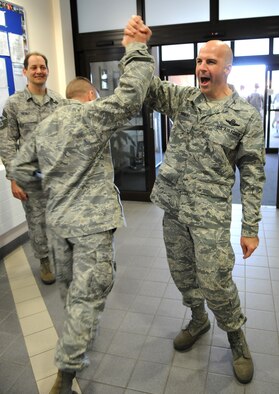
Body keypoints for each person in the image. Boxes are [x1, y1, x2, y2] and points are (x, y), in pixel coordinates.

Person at [12, 16, 154, 394]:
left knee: (70, 289)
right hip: (92, 224)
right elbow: (131, 95)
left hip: (57, 221)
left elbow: (20, 169)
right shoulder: (93, 116)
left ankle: (77, 337)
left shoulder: (45, 125)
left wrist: (52, 187)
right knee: (89, 294)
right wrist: (135, 49)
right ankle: (67, 370)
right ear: (90, 95)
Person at [126, 20, 265, 385]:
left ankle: (236, 338)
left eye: (211, 62)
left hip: (210, 216)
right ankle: (198, 320)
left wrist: (250, 227)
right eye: (200, 61)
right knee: (183, 274)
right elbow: (147, 88)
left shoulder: (245, 117)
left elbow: (252, 176)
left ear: (227, 69)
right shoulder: (184, 98)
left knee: (217, 281)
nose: (202, 67)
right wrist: (137, 50)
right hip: (174, 208)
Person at [0, 52, 63, 284]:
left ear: (47, 70)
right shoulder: (13, 104)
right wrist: (14, 179)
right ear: (25, 71)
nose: (39, 71)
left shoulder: (59, 102)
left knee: (60, 217)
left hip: (58, 175)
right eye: (34, 67)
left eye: (43, 67)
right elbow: (6, 142)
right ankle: (45, 261)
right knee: (37, 221)